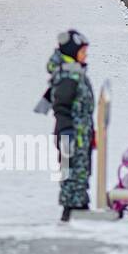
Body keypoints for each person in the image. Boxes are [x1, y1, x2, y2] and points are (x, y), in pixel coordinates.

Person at [49, 29, 95, 221]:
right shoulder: (68, 76)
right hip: (70, 133)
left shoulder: (75, 73)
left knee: (82, 169)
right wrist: (67, 130)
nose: (85, 55)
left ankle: (80, 202)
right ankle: (70, 206)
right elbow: (61, 105)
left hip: (81, 132)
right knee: (70, 169)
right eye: (82, 51)